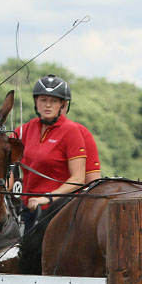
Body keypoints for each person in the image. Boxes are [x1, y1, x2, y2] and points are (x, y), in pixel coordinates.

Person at [16, 74, 101, 229]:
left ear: (63, 105)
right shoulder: (23, 130)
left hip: (57, 209)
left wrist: (47, 198)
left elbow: (79, 178)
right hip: (27, 207)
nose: (48, 105)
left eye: (53, 101)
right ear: (36, 102)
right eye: (43, 100)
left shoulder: (72, 131)